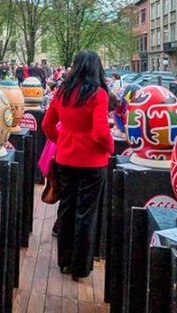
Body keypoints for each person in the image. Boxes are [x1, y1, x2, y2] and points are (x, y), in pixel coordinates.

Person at [41, 50, 113, 280]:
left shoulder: (62, 91)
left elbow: (47, 124)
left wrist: (61, 139)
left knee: (67, 208)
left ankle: (64, 262)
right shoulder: (99, 94)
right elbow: (102, 131)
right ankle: (80, 266)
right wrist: (110, 147)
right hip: (92, 162)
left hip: (65, 158)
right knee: (86, 213)